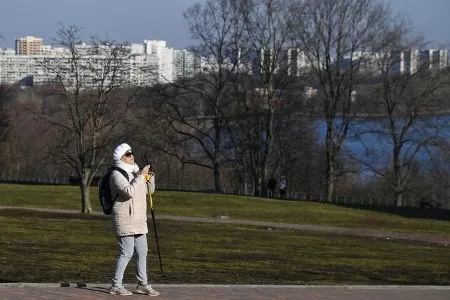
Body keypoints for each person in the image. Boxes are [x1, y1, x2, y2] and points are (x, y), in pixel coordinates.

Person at [108, 143, 160, 296]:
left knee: (142, 252)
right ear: (121, 157)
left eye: (132, 153)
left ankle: (142, 284)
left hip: (138, 219)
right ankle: (116, 285)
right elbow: (128, 192)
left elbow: (149, 191)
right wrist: (141, 176)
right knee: (126, 252)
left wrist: (149, 178)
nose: (132, 156)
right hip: (124, 218)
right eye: (128, 154)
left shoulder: (137, 172)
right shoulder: (116, 174)